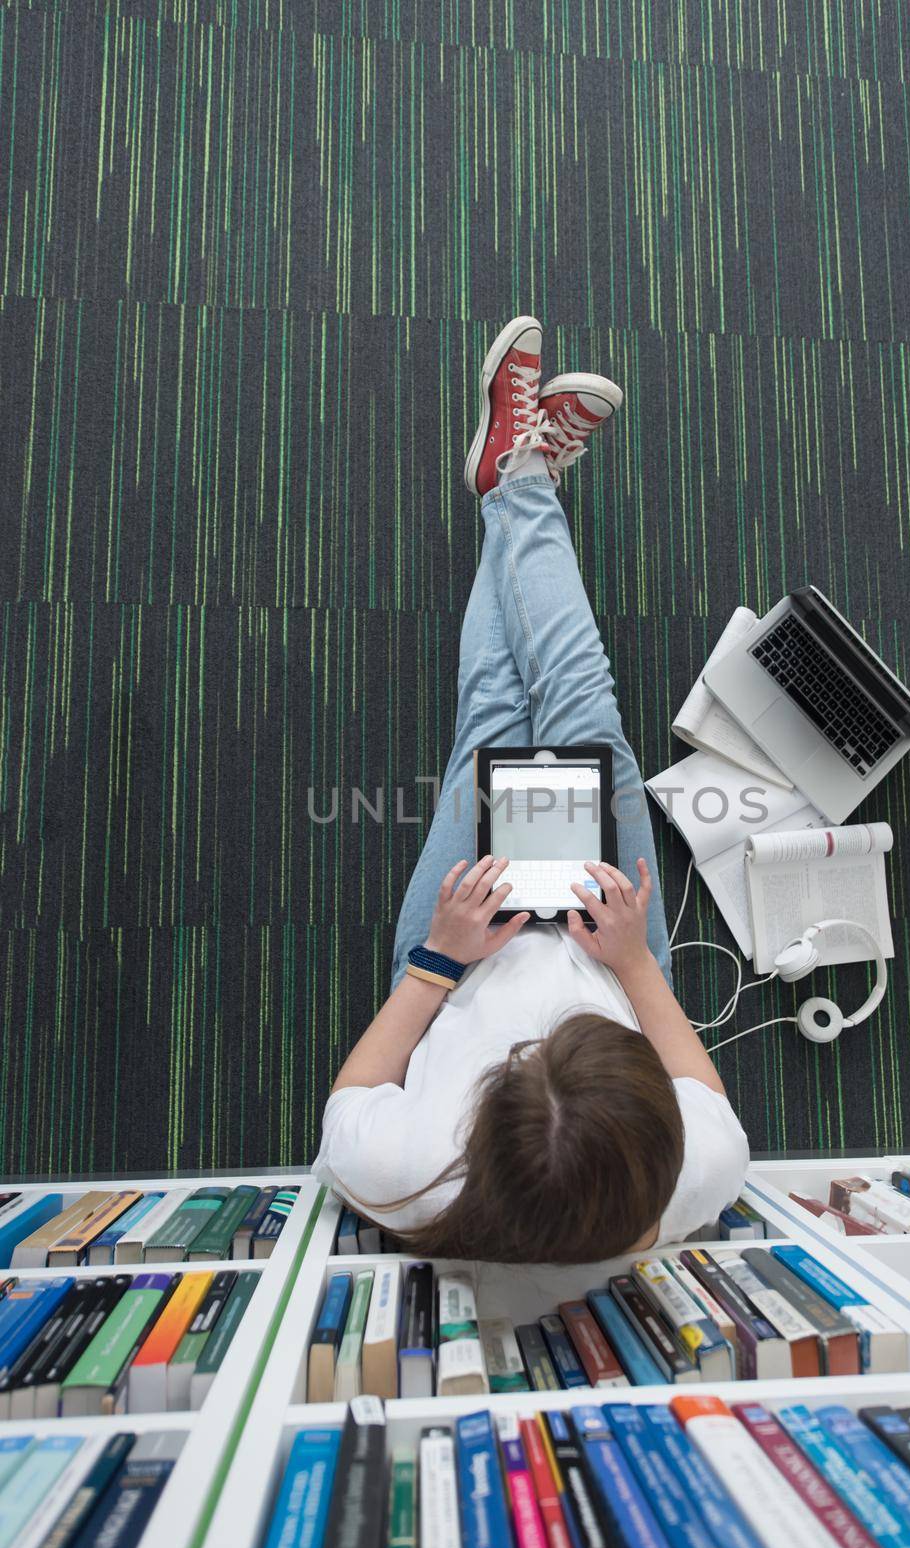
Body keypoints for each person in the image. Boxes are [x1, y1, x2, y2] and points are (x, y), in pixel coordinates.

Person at [312, 316, 749, 1263]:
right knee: (583, 713)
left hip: (458, 951)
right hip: (618, 949)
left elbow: (358, 1088)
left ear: (479, 1124)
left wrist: (441, 958)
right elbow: (689, 1071)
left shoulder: (402, 1176)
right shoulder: (699, 1174)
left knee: (493, 722)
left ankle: (519, 479)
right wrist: (630, 966)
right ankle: (519, 479)